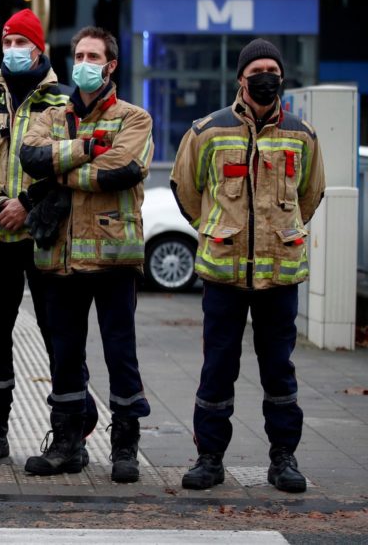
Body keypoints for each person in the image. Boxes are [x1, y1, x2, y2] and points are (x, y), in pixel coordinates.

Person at [171, 38, 326, 493]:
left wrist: (280, 234)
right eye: (256, 68)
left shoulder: (302, 134)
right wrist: (217, 227)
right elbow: (186, 189)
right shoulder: (208, 131)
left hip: (279, 276)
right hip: (224, 274)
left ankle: (284, 459)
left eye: (272, 69)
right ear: (240, 78)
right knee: (218, 367)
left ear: (281, 77)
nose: (265, 76)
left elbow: (311, 195)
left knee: (279, 369)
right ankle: (209, 458)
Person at [0, 8, 98, 463]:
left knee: (61, 336)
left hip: (48, 236)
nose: (14, 51)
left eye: (22, 43)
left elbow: (73, 164)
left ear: (40, 50)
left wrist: (26, 205)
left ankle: (71, 430)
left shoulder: (65, 105)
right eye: (8, 43)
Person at [20, 26, 153, 483]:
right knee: (63, 354)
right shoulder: (53, 114)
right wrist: (84, 149)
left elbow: (123, 170)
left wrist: (62, 172)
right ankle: (67, 444)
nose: (84, 63)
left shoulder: (134, 119)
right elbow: (30, 157)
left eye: (93, 55)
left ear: (111, 65)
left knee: (121, 352)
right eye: (79, 54)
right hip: (59, 256)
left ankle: (125, 447)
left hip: (114, 256)